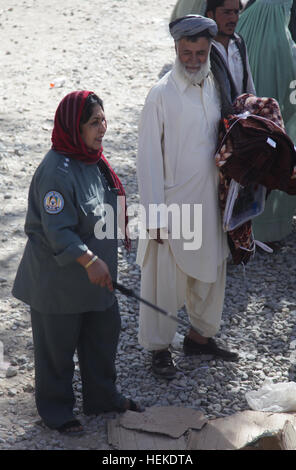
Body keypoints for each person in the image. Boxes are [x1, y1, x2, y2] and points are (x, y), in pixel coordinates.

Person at [12, 91, 142, 436]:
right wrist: (90, 260)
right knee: (56, 351)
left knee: (103, 336)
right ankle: (56, 410)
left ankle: (102, 396)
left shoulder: (93, 160)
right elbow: (59, 232)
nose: (103, 128)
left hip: (96, 280)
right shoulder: (57, 172)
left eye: (103, 120)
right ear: (74, 127)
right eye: (94, 122)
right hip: (59, 284)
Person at [136, 15, 239, 381]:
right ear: (176, 50)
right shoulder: (160, 95)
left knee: (211, 274)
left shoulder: (215, 85)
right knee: (164, 281)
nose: (194, 60)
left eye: (201, 52)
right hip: (172, 209)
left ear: (209, 49)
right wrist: (154, 217)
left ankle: (199, 337)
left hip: (211, 204)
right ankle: (159, 350)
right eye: (187, 53)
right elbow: (146, 159)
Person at [236, 0, 296, 245]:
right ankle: (269, 230)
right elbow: (290, 98)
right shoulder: (286, 45)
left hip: (244, 130)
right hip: (274, 132)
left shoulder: (242, 28)